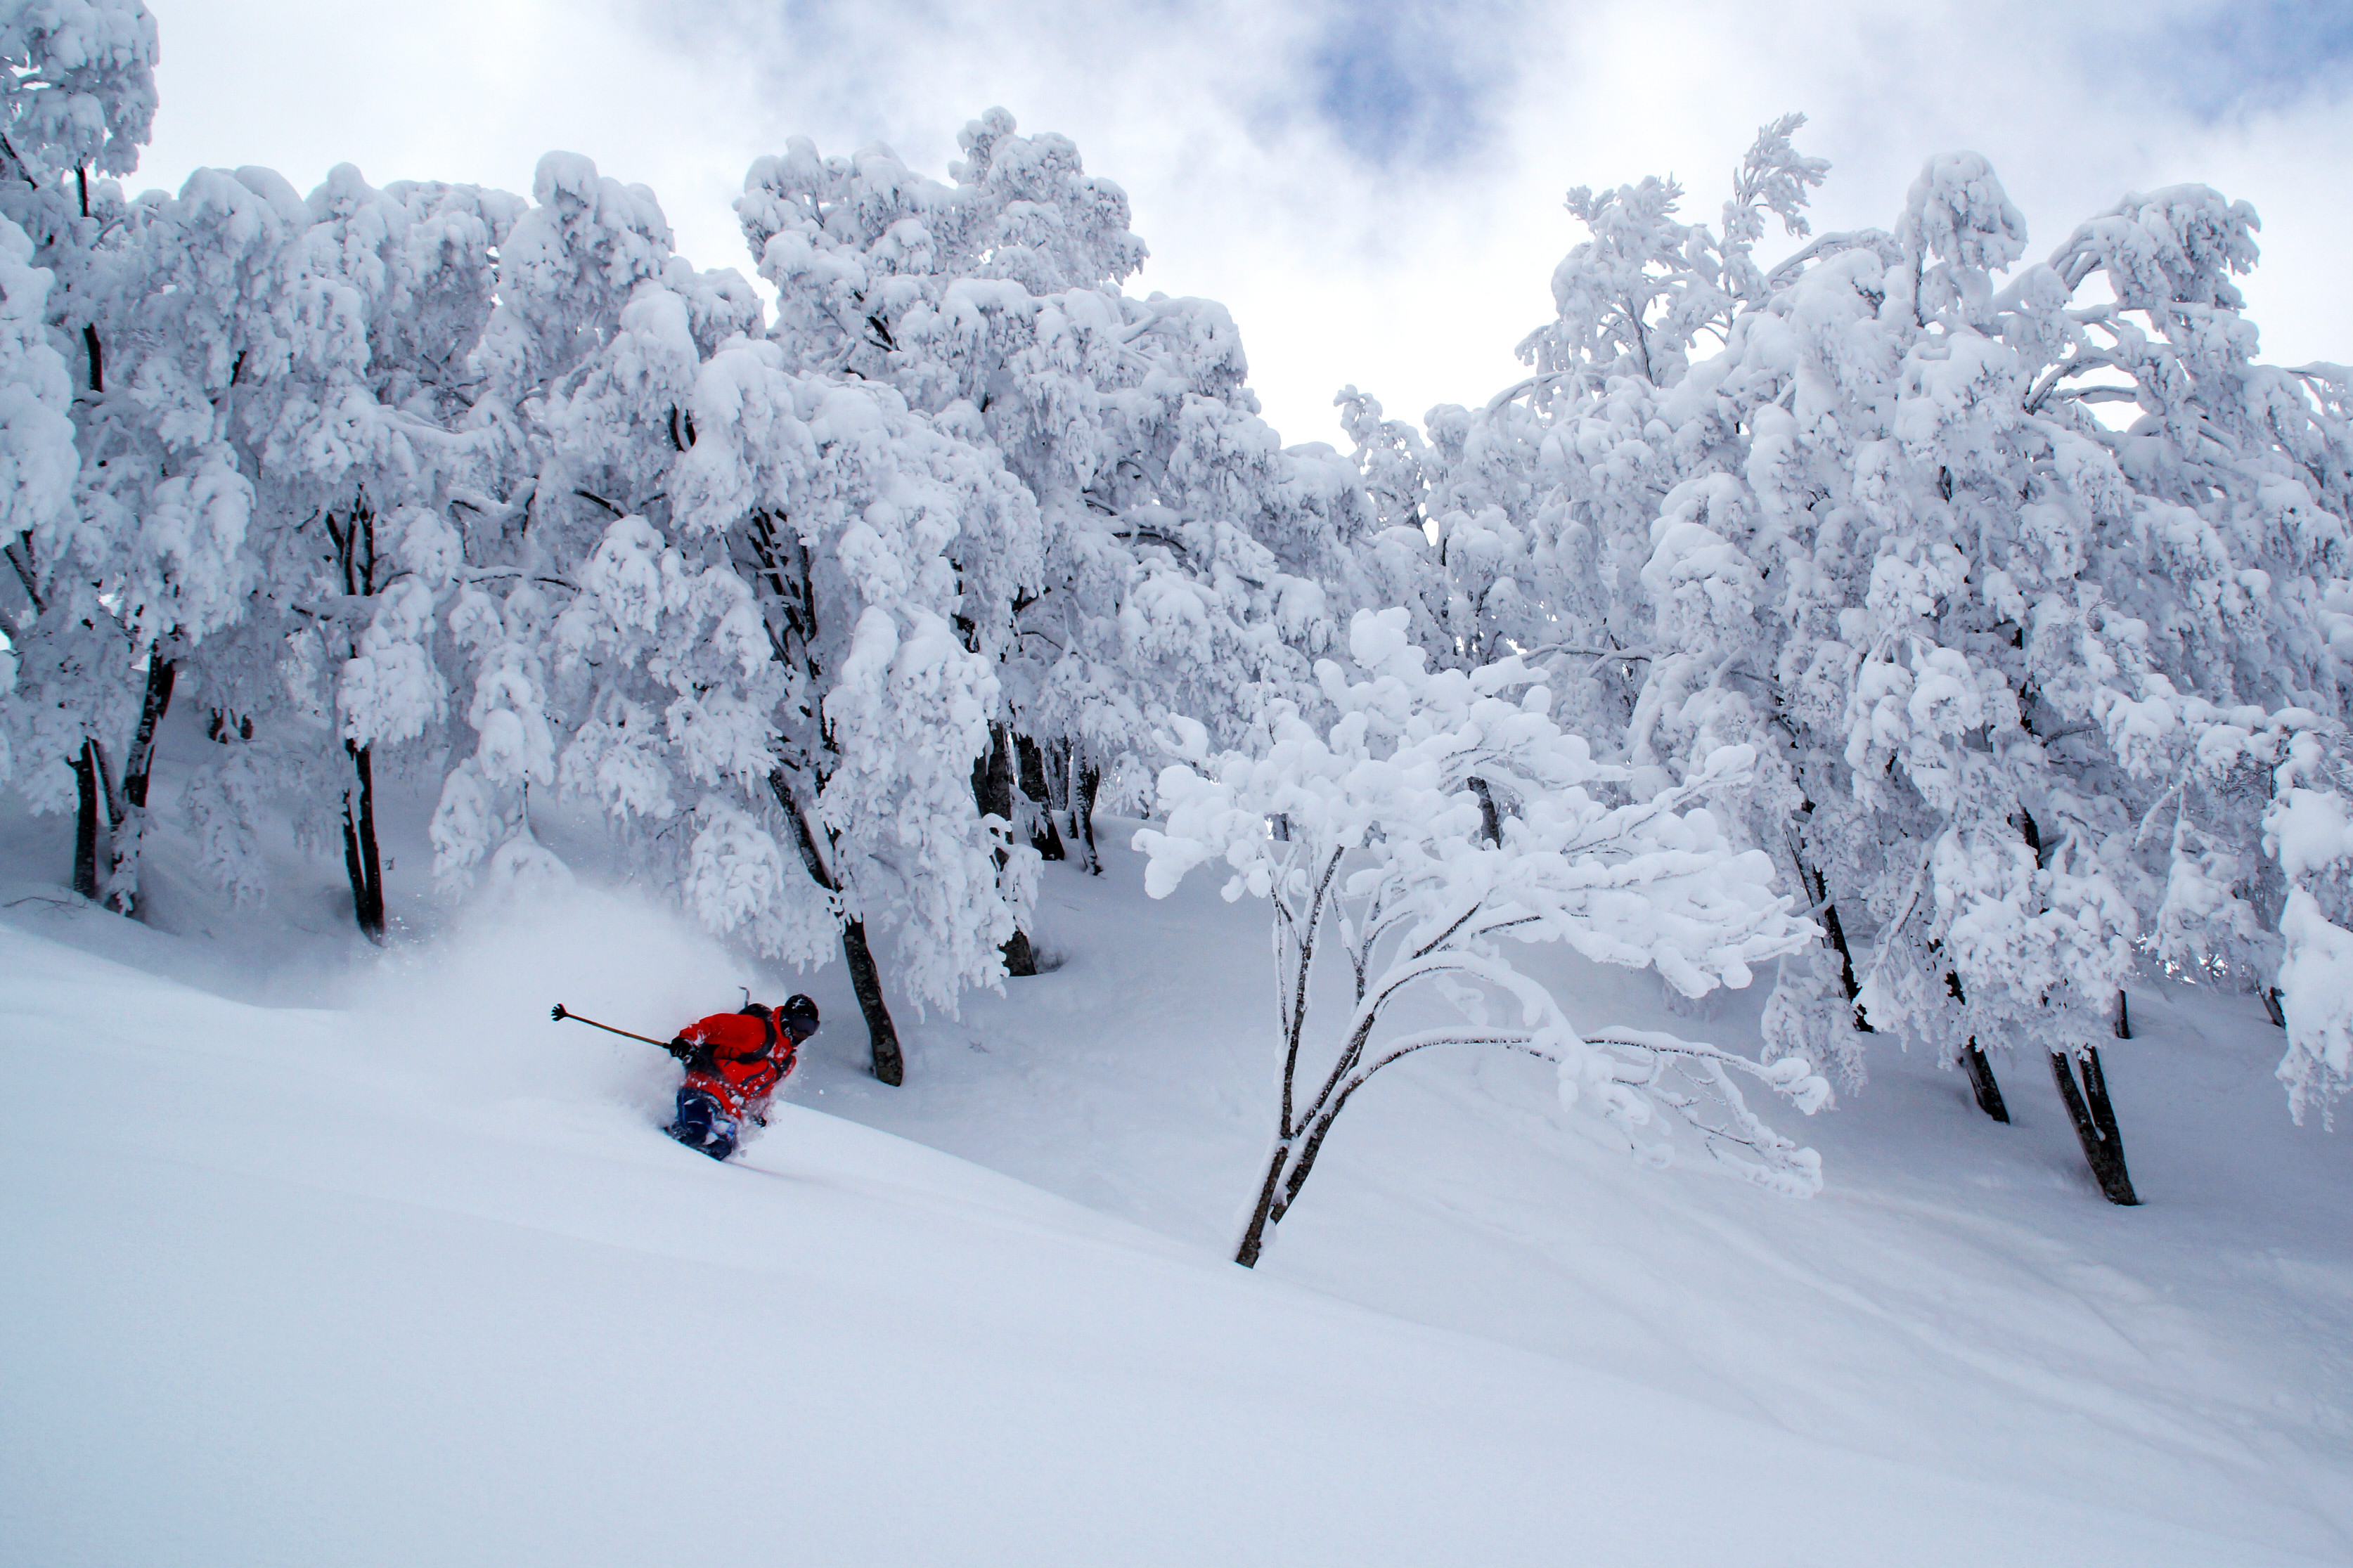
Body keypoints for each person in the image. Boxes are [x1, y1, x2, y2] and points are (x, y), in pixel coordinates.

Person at [664, 994, 820, 1160]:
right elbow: (713, 1026)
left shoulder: (787, 1061)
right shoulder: (755, 1030)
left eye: (811, 1028)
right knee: (696, 1133)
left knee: (719, 1149)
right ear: (787, 1020)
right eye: (802, 1025)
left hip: (730, 1109)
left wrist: (759, 1113)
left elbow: (766, 1089)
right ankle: (662, 1138)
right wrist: (686, 1040)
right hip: (705, 1087)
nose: (804, 1033)